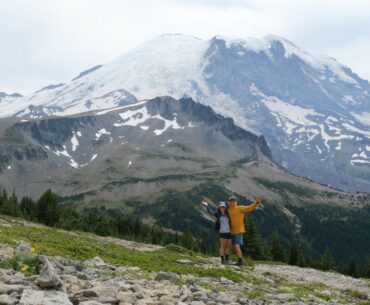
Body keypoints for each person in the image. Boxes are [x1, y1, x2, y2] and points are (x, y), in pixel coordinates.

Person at [228, 195, 261, 266]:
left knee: (236, 246)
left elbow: (249, 208)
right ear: (229, 202)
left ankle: (240, 261)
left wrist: (256, 203)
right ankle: (230, 259)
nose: (232, 202)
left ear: (236, 202)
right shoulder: (228, 211)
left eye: (234, 200)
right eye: (231, 201)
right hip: (231, 231)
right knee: (231, 247)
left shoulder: (240, 208)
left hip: (239, 230)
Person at [201, 199, 232, 265]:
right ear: (219, 207)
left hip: (229, 232)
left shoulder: (228, 213)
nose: (222, 208)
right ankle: (223, 261)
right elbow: (210, 213)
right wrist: (206, 206)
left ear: (225, 207)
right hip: (222, 233)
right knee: (223, 247)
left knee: (229, 247)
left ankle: (227, 260)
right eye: (221, 207)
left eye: (223, 207)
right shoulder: (217, 214)